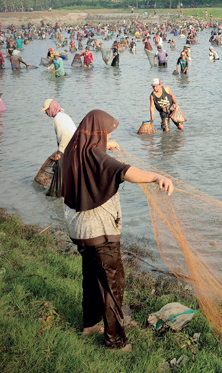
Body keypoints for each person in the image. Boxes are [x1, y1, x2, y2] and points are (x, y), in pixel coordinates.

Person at [61, 109, 173, 351]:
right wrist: (155, 177)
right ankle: (115, 342)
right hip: (100, 232)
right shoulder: (94, 154)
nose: (106, 137)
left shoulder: (74, 149)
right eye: (105, 133)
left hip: (79, 230)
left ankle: (90, 325)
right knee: (113, 285)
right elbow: (125, 171)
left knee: (91, 278)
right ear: (97, 133)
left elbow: (91, 152)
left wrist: (106, 145)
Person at [41, 99, 77, 197]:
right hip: (74, 146)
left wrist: (60, 152)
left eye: (46, 110)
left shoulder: (58, 119)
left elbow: (66, 135)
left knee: (62, 172)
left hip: (69, 148)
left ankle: (61, 194)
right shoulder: (63, 115)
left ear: (51, 108)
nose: (46, 112)